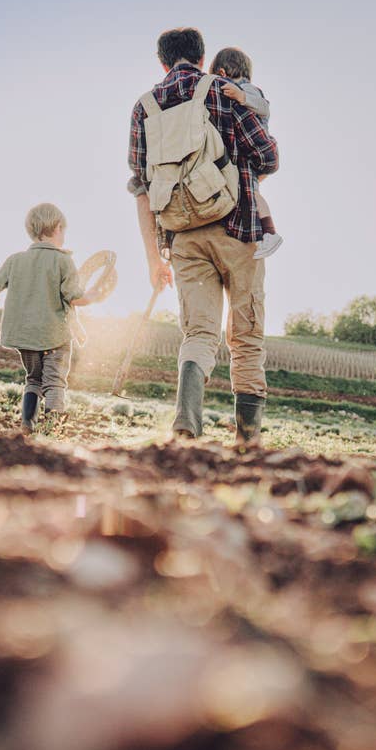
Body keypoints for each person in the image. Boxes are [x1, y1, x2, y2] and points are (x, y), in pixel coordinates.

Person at [128, 27, 279, 444]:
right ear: (202, 57)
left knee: (199, 334)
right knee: (246, 334)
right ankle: (248, 440)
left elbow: (141, 188)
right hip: (239, 226)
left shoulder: (144, 107)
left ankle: (186, 423)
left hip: (182, 237)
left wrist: (154, 259)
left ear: (162, 62)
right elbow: (268, 155)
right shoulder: (223, 90)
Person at [0, 203, 106, 433]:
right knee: (54, 381)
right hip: (54, 336)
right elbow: (74, 297)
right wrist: (93, 297)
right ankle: (53, 428)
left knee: (33, 379)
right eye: (63, 231)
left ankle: (28, 425)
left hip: (25, 337)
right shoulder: (63, 261)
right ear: (58, 228)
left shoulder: (15, 260)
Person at [209, 46, 282, 260]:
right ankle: (263, 234)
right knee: (249, 193)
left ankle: (270, 232)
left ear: (222, 73)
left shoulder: (248, 89)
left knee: (253, 193)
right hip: (247, 153)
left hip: (252, 154)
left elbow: (264, 107)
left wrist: (242, 96)